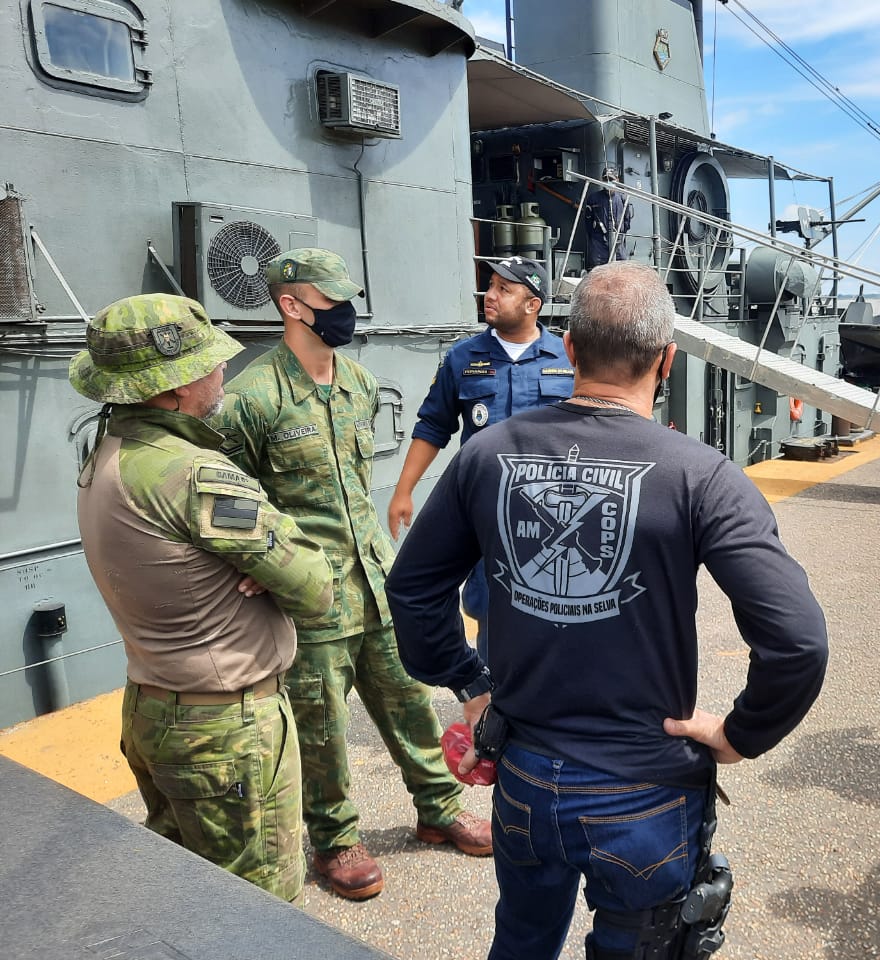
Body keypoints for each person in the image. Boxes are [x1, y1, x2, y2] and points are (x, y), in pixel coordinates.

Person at [386, 261, 829, 960]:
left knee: (523, 941)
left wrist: (470, 685)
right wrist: (743, 732)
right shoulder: (701, 474)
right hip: (646, 791)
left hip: (526, 777)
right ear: (666, 360)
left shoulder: (487, 456)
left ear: (568, 349)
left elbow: (412, 589)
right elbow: (798, 641)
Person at [214, 249, 492, 902]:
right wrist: (257, 563)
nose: (343, 313)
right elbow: (228, 501)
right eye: (329, 301)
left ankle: (438, 808)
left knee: (409, 700)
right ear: (290, 305)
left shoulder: (360, 385)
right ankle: (335, 840)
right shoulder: (252, 399)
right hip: (310, 594)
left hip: (376, 579)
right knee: (320, 727)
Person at [71, 293, 333, 903]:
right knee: (259, 913)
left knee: (189, 896)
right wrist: (272, 569)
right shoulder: (194, 474)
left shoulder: (105, 454)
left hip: (154, 708)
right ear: (172, 391)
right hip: (224, 730)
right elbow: (316, 588)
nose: (222, 373)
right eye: (210, 364)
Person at [387, 254, 572, 659]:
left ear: (532, 304)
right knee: (491, 612)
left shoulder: (568, 359)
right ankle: (490, 704)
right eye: (490, 285)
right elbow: (433, 426)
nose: (489, 296)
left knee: (560, 608)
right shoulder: (462, 358)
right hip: (487, 515)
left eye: (504, 289)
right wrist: (404, 491)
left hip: (555, 515)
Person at [584, 167, 634, 269]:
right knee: (598, 271)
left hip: (618, 243)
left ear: (617, 180)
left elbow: (627, 221)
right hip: (599, 243)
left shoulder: (622, 198)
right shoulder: (593, 198)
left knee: (621, 270)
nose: (608, 182)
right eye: (605, 179)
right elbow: (588, 221)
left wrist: (620, 233)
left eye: (611, 180)